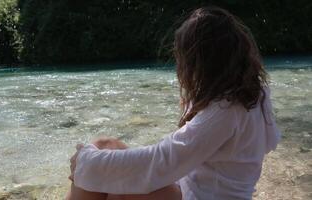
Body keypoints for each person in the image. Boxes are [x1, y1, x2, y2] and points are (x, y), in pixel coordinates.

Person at [66, 6, 281, 200]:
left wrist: (87, 164)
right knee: (104, 145)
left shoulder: (226, 110)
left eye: (186, 60)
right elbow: (270, 142)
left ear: (205, 62)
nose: (183, 69)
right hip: (193, 188)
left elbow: (165, 159)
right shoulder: (254, 92)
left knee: (114, 190)